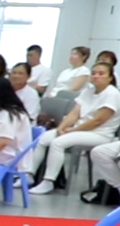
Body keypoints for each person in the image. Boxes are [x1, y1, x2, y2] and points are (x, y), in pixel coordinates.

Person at [30, 61, 120, 194]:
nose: (96, 76)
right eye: (94, 73)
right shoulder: (88, 91)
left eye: (101, 74)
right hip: (79, 130)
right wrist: (62, 127)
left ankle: (49, 181)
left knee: (57, 143)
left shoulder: (112, 94)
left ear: (110, 77)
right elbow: (74, 112)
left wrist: (71, 130)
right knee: (44, 138)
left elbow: (97, 121)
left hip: (99, 134)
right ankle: (29, 175)